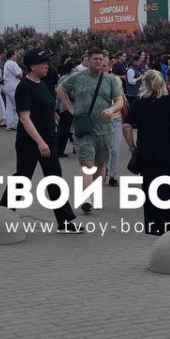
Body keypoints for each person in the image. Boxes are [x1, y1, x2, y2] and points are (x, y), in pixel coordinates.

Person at [0, 49, 83, 233]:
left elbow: (47, 106)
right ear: (32, 66)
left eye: (47, 62)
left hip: (49, 139)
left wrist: (56, 119)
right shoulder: (24, 87)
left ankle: (65, 222)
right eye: (43, 63)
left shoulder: (42, 83)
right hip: (30, 142)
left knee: (54, 179)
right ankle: (2, 216)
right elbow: (25, 118)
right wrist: (40, 142)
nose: (47, 66)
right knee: (22, 179)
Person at [57, 48, 124, 214]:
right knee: (87, 164)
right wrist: (70, 107)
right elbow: (60, 89)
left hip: (104, 129)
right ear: (87, 59)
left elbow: (119, 101)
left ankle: (94, 195)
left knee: (100, 165)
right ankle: (86, 198)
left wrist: (111, 109)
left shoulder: (110, 80)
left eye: (101, 59)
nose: (98, 62)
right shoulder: (77, 77)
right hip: (84, 128)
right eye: (95, 59)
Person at [122, 70, 170, 235]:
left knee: (149, 192)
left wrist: (132, 147)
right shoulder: (169, 101)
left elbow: (126, 126)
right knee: (166, 192)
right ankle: (167, 228)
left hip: (146, 154)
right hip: (167, 154)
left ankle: (152, 227)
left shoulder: (138, 102)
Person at [1, 50, 22, 130]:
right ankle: (16, 124)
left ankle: (9, 124)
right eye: (15, 54)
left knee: (9, 106)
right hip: (14, 85)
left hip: (7, 85)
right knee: (17, 104)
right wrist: (21, 72)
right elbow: (19, 75)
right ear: (12, 55)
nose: (16, 56)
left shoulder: (7, 63)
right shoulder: (13, 63)